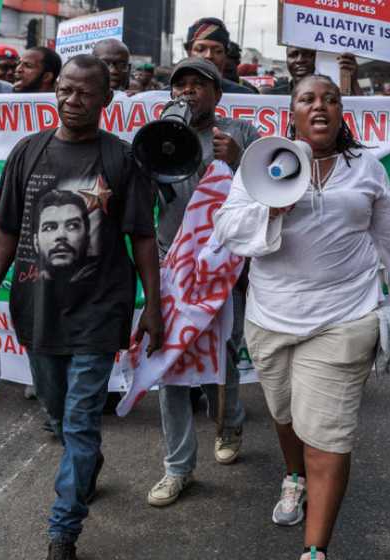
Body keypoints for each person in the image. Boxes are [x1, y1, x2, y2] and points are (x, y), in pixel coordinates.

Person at [213, 74, 390, 560]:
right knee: (285, 413)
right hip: (271, 316)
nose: (320, 107)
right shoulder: (265, 165)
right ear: (290, 113)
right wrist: (272, 210)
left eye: (331, 100)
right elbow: (228, 226)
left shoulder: (365, 168)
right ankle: (293, 476)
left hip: (345, 316)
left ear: (341, 113)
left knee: (327, 433)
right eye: (308, 99)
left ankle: (315, 551)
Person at [0, 54, 161, 560]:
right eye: (66, 91)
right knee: (56, 416)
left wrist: (153, 308)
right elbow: (5, 232)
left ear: (106, 100)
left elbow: (142, 240)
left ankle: (62, 531)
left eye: (84, 94)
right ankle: (86, 462)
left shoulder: (121, 159)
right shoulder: (28, 152)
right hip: (37, 308)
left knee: (79, 421)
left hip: (100, 310)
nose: (72, 101)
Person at [144, 56, 258, 508]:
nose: (188, 91)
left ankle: (229, 422)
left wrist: (240, 160)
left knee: (222, 355)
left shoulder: (240, 133)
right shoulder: (161, 132)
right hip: (174, 263)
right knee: (169, 363)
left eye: (198, 84)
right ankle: (178, 468)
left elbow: (271, 188)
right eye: (180, 85)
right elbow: (144, 196)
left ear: (217, 94)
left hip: (226, 266)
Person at [182, 17, 252, 94]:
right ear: (189, 53)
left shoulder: (245, 95)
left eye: (217, 51)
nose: (209, 56)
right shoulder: (169, 95)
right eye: (200, 49)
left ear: (225, 55)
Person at [262, 47, 360, 96]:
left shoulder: (332, 94)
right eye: (293, 55)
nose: (300, 60)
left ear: (316, 58)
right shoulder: (274, 95)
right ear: (286, 59)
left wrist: (353, 82)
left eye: (307, 54)